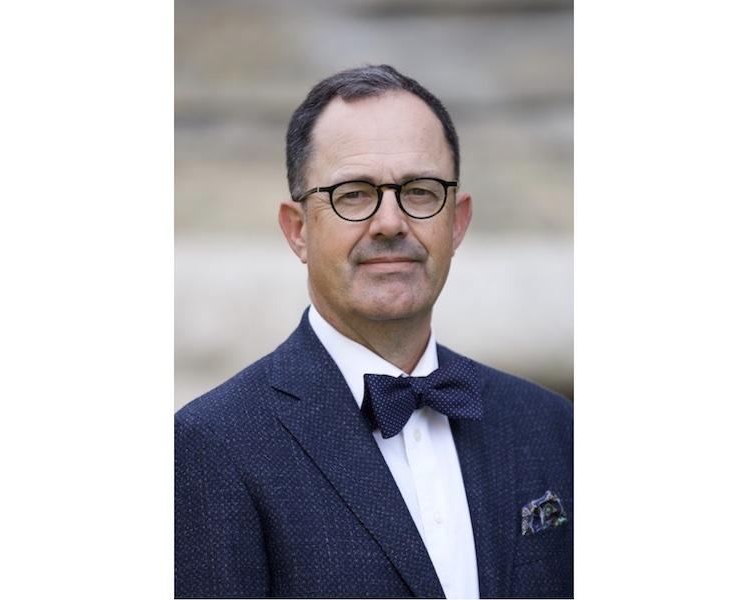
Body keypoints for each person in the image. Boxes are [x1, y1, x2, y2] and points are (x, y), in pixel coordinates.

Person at [175, 65, 573, 599]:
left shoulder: (552, 426)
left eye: (420, 191)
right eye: (355, 194)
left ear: (457, 222)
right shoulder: (212, 445)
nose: (390, 223)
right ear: (298, 230)